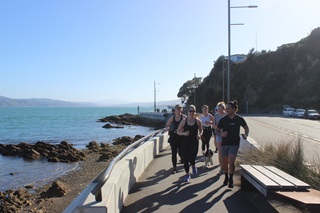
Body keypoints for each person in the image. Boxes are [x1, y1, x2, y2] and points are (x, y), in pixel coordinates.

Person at [217, 100, 249, 188]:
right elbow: (217, 130)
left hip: (234, 143)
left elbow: (246, 127)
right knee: (225, 162)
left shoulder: (239, 119)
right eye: (226, 109)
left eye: (228, 109)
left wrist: (246, 134)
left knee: (231, 162)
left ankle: (231, 179)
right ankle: (226, 177)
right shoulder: (223, 120)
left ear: (234, 109)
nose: (226, 110)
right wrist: (221, 134)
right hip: (224, 144)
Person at [177, 105, 203, 182]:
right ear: (187, 111)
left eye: (193, 111)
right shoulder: (184, 121)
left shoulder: (198, 121)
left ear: (195, 112)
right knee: (185, 160)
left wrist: (199, 135)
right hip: (185, 143)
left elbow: (201, 130)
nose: (192, 113)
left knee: (192, 158)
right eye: (190, 111)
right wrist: (184, 133)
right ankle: (187, 175)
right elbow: (178, 131)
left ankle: (193, 165)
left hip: (194, 142)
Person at [165, 104, 186, 174]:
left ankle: (183, 158)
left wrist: (184, 130)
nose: (178, 110)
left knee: (181, 152)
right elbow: (167, 125)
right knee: (174, 153)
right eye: (177, 109)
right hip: (174, 136)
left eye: (180, 109)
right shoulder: (172, 118)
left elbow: (188, 124)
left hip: (181, 137)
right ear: (175, 110)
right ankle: (174, 168)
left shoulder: (184, 117)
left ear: (181, 110)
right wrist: (168, 128)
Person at [212, 102, 226, 175]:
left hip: (227, 136)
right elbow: (213, 125)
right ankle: (222, 169)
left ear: (224, 109)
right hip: (219, 136)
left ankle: (226, 167)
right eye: (218, 109)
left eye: (221, 108)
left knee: (226, 153)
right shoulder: (216, 115)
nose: (220, 110)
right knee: (220, 153)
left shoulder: (227, 115)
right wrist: (217, 127)